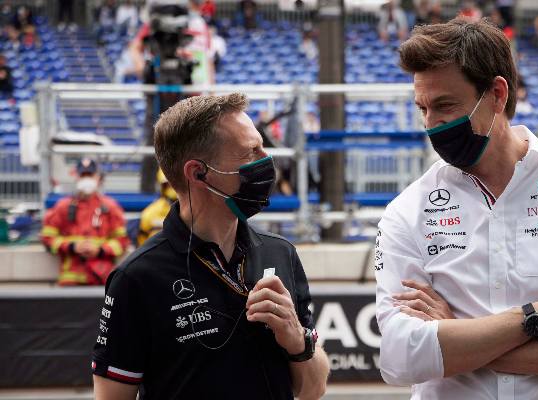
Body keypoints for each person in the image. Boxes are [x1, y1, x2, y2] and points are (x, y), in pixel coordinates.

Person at [375, 18, 538, 398]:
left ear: (497, 95)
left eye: (445, 105)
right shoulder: (407, 211)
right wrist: (535, 317)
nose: (432, 124)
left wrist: (457, 336)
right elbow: (400, 359)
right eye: (423, 108)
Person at [91, 93, 329, 399]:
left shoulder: (280, 252)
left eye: (262, 147)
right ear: (197, 172)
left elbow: (313, 389)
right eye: (250, 152)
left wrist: (297, 339)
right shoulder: (137, 278)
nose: (266, 160)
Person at [40, 158, 129, 286]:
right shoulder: (62, 207)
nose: (86, 179)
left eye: (90, 175)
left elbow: (122, 241)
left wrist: (100, 250)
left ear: (98, 178)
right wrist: (72, 246)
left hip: (102, 279)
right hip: (71, 281)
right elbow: (47, 238)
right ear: (76, 177)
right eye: (83, 175)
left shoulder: (110, 207)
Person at [137, 169, 177, 246]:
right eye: (169, 184)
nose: (173, 188)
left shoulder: (199, 210)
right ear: (163, 186)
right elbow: (142, 242)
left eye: (177, 184)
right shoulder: (150, 212)